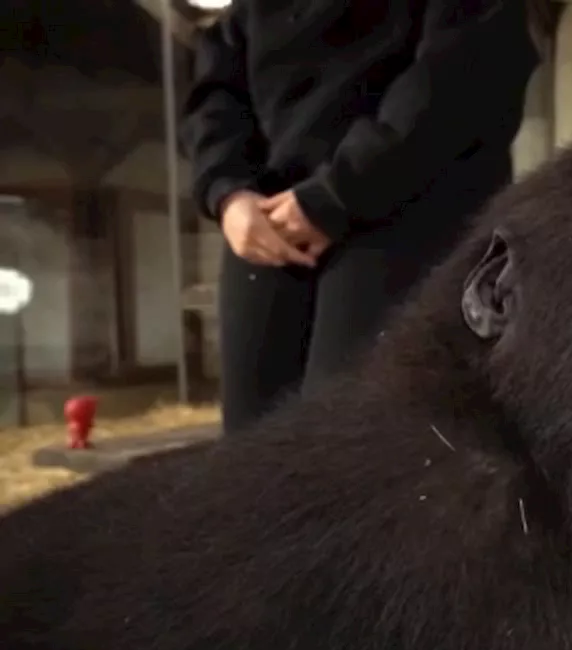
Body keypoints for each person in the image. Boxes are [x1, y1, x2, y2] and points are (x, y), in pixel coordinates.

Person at [181, 0, 540, 433]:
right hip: (267, 219)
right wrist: (227, 193)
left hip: (404, 213)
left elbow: (457, 81)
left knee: (355, 436)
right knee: (250, 440)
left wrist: (333, 196)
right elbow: (217, 88)